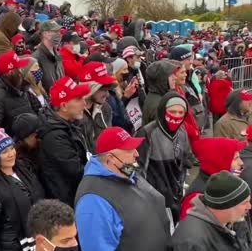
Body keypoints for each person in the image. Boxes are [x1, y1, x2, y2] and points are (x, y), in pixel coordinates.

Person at [75, 127, 171, 251]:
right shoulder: (93, 200)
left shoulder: (128, 171)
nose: (137, 154)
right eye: (129, 150)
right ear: (111, 159)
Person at [0, 121, 45, 251]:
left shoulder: (24, 169)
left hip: (40, 240)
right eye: (4, 152)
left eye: (12, 148)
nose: (11, 154)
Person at [136, 92, 191, 224]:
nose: (176, 116)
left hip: (175, 191)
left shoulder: (182, 131)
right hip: (155, 195)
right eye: (172, 111)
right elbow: (138, 168)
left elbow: (185, 157)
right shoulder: (147, 132)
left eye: (180, 112)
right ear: (162, 111)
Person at [39, 76, 90, 206]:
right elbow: (76, 171)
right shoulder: (54, 136)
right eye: (79, 99)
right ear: (64, 106)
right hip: (68, 202)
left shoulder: (69, 124)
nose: (84, 103)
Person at [171, 171, 251, 251]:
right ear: (225, 205)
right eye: (244, 203)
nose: (249, 207)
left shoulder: (233, 220)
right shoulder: (192, 242)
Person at [180, 137, 246, 220]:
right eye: (235, 158)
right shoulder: (197, 198)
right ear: (219, 162)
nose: (241, 163)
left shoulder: (226, 185)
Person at [0, 51, 35, 134]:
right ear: (11, 72)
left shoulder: (20, 85)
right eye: (19, 68)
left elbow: (35, 109)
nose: (22, 71)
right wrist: (20, 144)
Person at [78, 61, 114, 153]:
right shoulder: (73, 115)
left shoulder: (106, 108)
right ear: (90, 87)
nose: (108, 94)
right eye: (103, 89)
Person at [142, 59, 181, 126]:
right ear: (162, 79)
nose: (175, 77)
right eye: (171, 75)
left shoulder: (160, 97)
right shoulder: (158, 105)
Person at [32, 20, 65, 92]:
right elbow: (36, 86)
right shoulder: (36, 58)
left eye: (59, 32)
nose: (59, 34)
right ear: (45, 33)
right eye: (56, 32)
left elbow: (62, 76)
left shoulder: (58, 54)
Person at [107, 57, 135, 133]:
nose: (127, 72)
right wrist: (125, 97)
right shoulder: (111, 91)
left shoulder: (122, 85)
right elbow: (118, 115)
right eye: (124, 69)